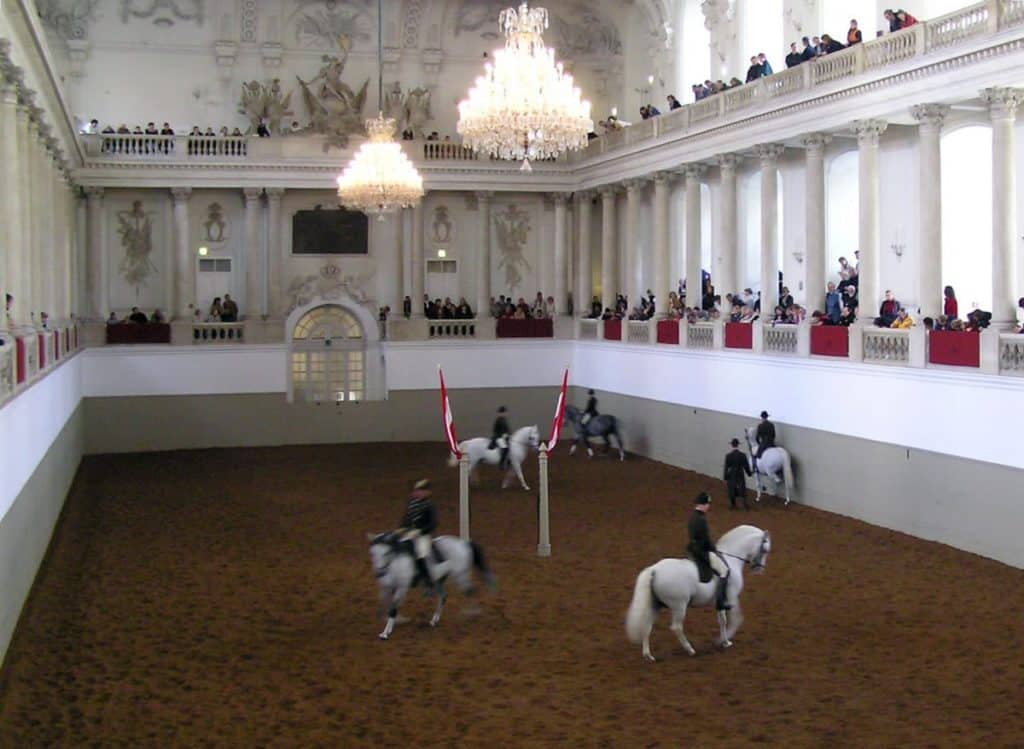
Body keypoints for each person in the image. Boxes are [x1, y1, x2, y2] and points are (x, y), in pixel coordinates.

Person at [397, 479, 442, 596]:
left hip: (424, 536)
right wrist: (401, 528)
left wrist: (420, 531)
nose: (418, 493)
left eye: (421, 491)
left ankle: (427, 583)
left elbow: (433, 523)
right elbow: (406, 519)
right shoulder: (412, 504)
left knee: (421, 555)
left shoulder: (429, 505)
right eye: (417, 491)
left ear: (427, 493)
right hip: (410, 533)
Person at [687, 492, 730, 611]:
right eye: (707, 504)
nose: (708, 506)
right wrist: (714, 549)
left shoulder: (692, 517)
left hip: (692, 549)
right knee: (725, 571)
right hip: (702, 552)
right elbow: (705, 540)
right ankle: (721, 601)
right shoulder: (701, 520)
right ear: (702, 504)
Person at [724, 438, 752, 510]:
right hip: (740, 472)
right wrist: (749, 473)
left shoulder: (728, 456)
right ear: (738, 445)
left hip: (732, 473)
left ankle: (733, 504)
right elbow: (746, 466)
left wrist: (725, 477)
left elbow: (726, 467)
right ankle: (744, 504)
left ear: (732, 445)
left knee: (731, 487)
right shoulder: (743, 455)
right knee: (742, 487)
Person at [490, 406, 511, 470]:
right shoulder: (498, 420)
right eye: (504, 413)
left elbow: (507, 430)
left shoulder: (504, 420)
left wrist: (509, 435)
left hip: (503, 437)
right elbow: (496, 430)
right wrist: (503, 435)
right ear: (501, 413)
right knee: (505, 448)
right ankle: (501, 464)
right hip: (498, 437)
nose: (506, 414)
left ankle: (508, 461)